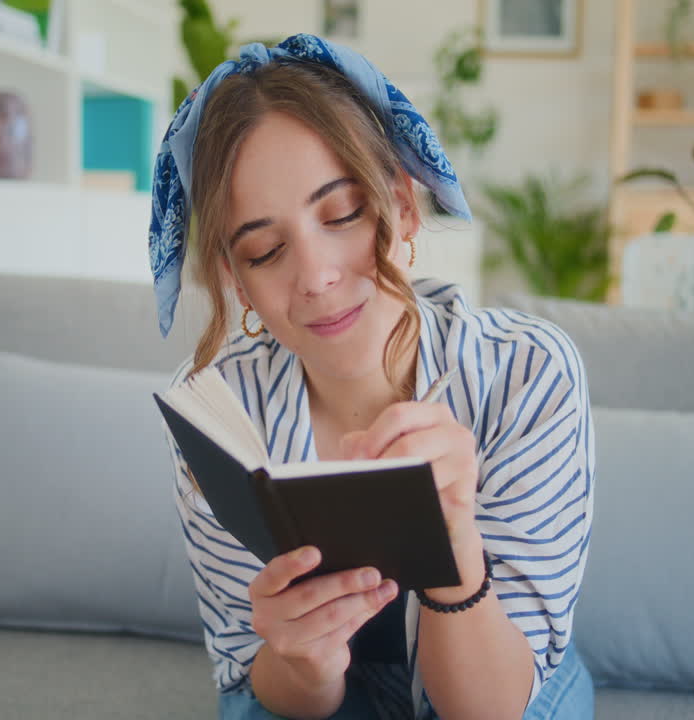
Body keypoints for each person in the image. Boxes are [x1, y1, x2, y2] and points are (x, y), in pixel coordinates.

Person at [149, 33, 595, 720]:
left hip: (498, 678)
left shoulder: (527, 375)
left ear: (403, 203)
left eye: (343, 214)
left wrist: (456, 554)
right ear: (236, 279)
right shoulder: (218, 410)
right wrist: (303, 661)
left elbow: (491, 708)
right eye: (266, 251)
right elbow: (261, 683)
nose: (318, 277)